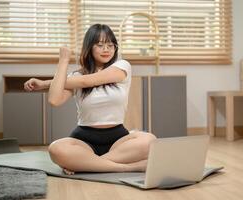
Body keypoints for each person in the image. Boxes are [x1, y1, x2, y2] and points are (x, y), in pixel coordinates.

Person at [24, 24, 156, 174]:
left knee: (149, 140)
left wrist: (44, 84)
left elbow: (88, 81)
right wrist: (63, 60)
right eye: (100, 45)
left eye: (110, 45)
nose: (106, 49)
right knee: (56, 148)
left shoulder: (122, 66)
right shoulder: (76, 77)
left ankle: (86, 164)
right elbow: (54, 100)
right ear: (89, 47)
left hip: (117, 139)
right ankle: (129, 167)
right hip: (84, 140)